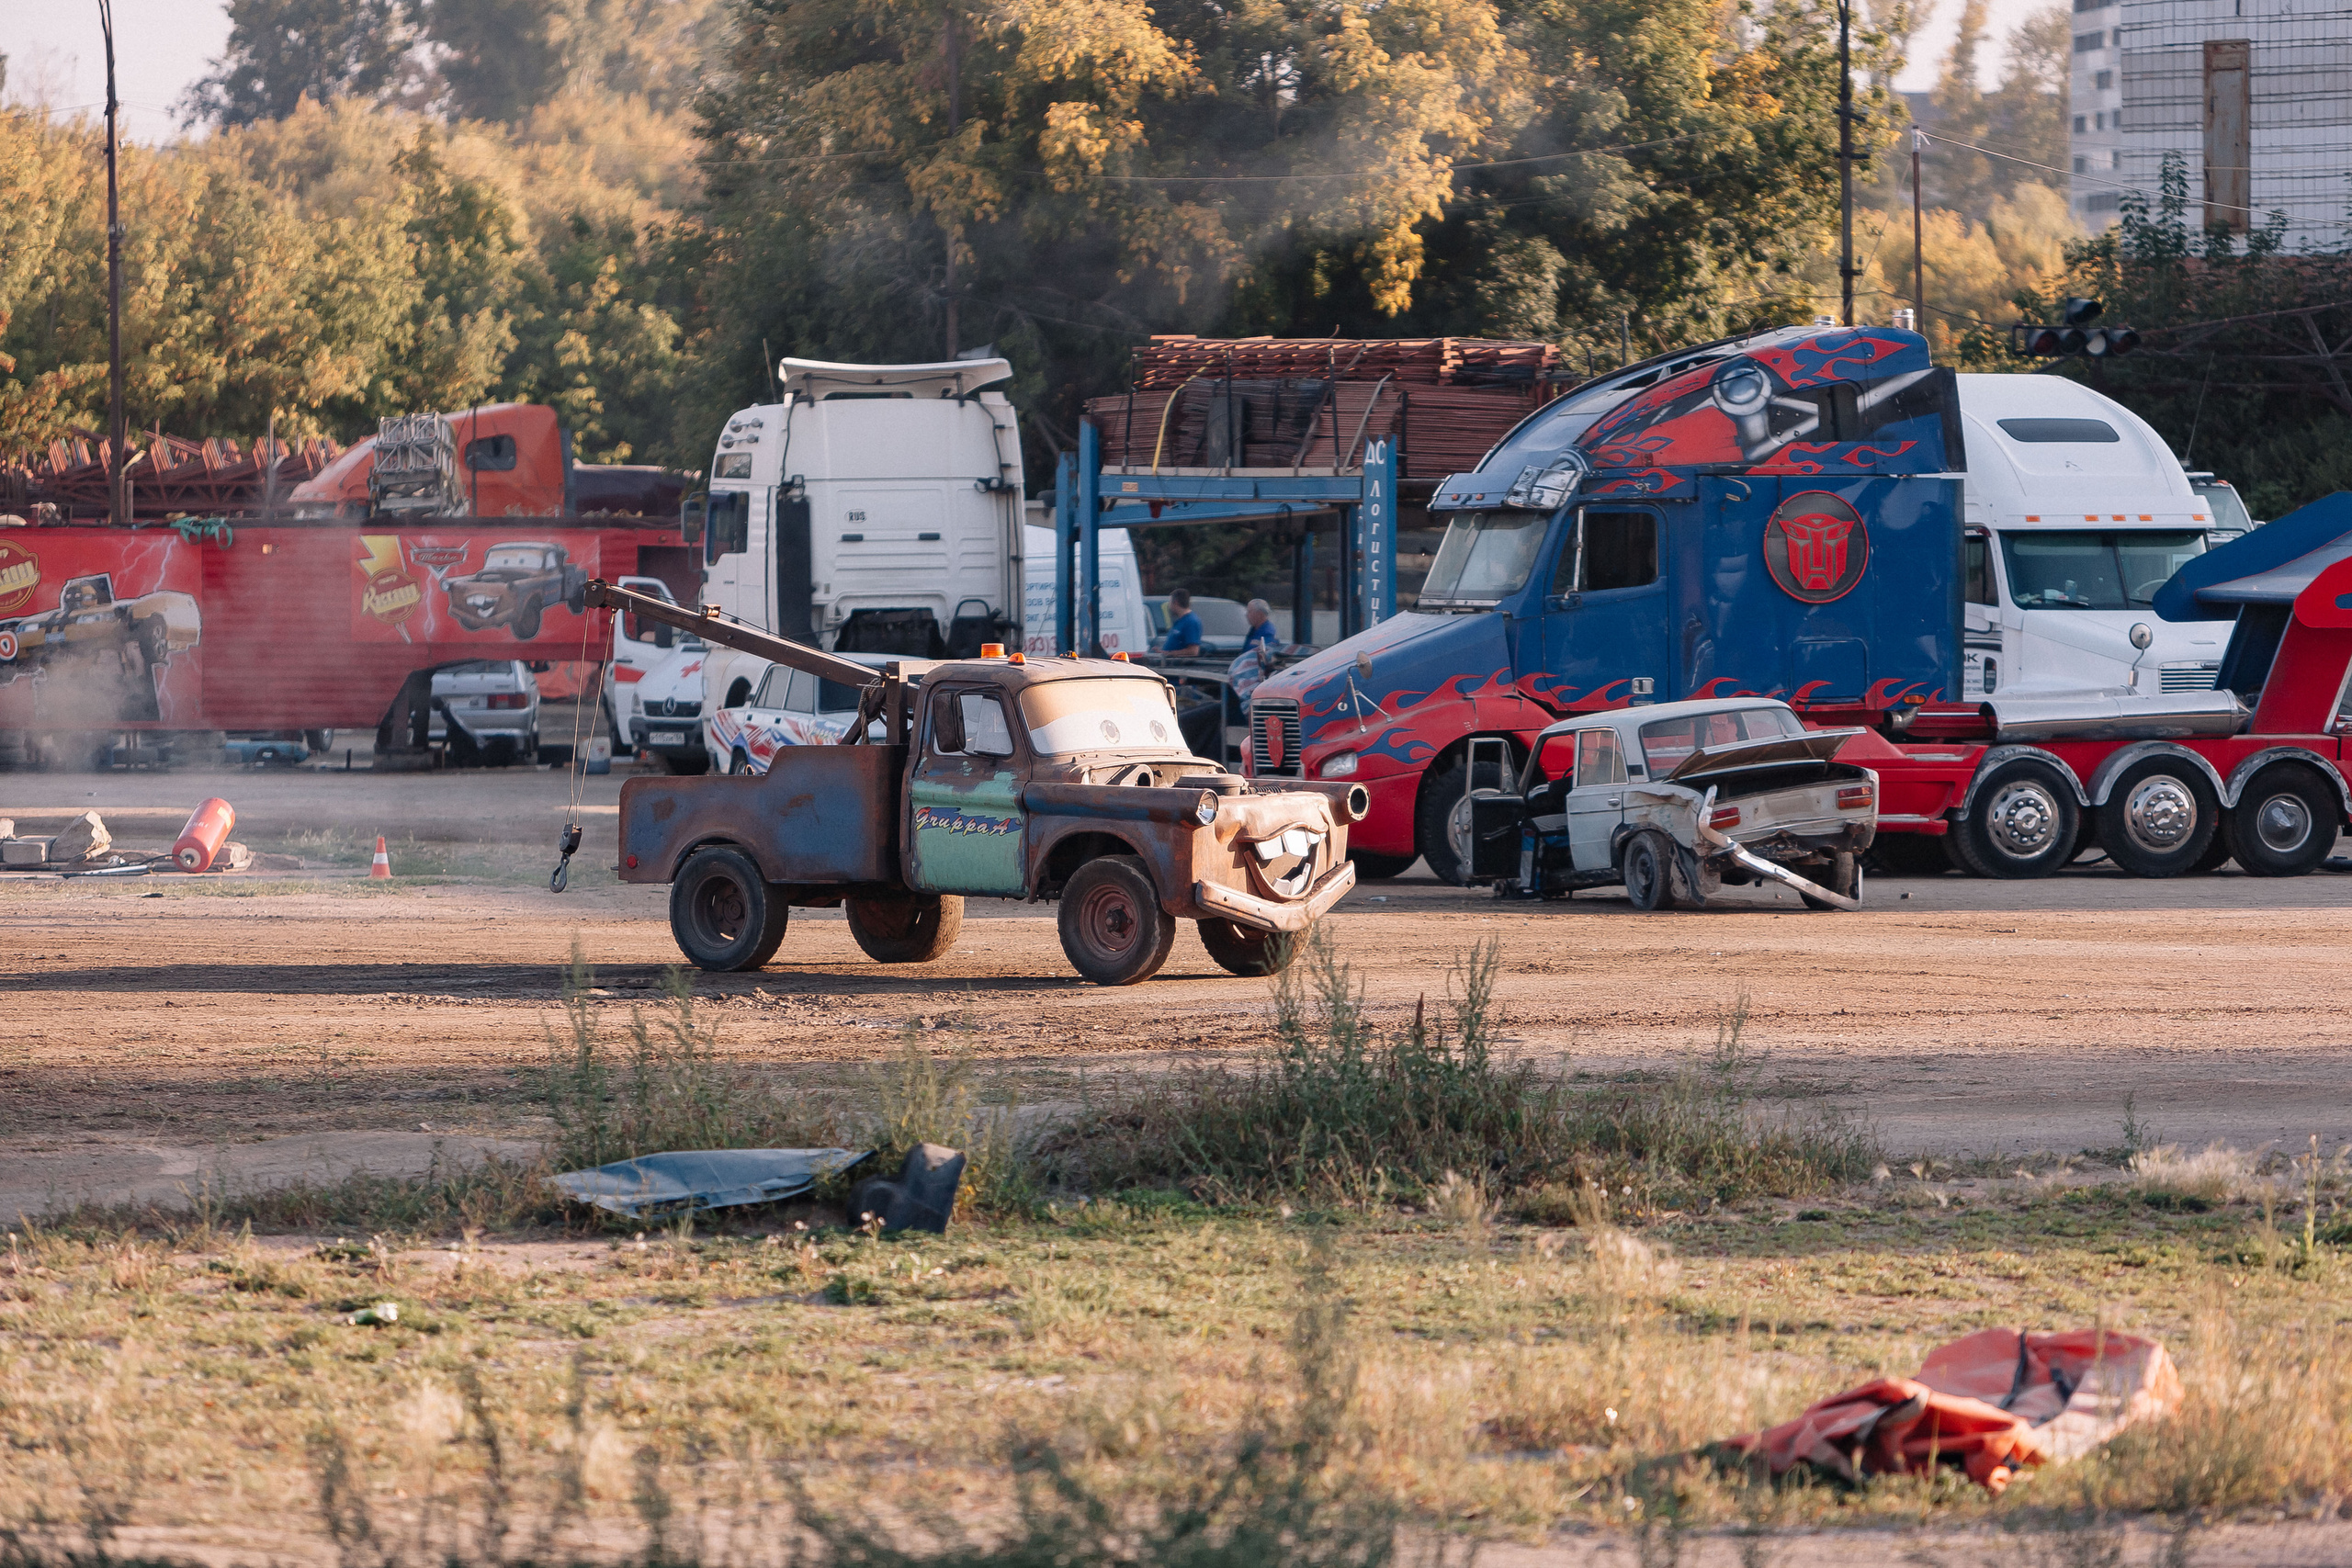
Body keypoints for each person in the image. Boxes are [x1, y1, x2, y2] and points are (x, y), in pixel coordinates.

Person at [1162, 590, 1204, 657]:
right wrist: (1162, 652)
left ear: (1176, 602)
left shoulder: (1191, 621)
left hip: (1180, 665)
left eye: (1170, 602)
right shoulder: (1180, 620)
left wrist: (1169, 653)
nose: (1169, 606)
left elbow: (1193, 651)